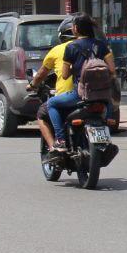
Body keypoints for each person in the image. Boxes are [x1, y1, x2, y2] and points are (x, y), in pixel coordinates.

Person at [46, 13, 116, 152]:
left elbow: (65, 75)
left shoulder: (71, 47)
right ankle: (108, 120)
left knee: (51, 103)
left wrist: (77, 69)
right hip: (103, 96)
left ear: (76, 28)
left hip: (80, 95)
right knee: (107, 104)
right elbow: (112, 70)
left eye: (73, 26)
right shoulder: (101, 45)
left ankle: (60, 139)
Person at [27, 17, 77, 152]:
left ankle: (57, 144)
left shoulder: (58, 50)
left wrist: (32, 85)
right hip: (96, 94)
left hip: (72, 95)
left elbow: (42, 73)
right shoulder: (94, 46)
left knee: (44, 111)